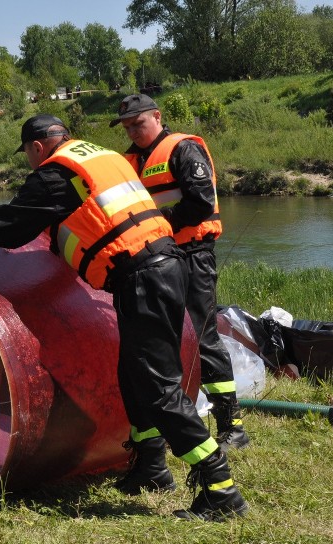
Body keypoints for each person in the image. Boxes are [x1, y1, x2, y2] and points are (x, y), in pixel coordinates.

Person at [0, 114, 248, 521]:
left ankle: (219, 487)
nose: (30, 161)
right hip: (162, 266)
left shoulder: (55, 173)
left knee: (157, 387)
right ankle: (151, 466)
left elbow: (8, 230)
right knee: (134, 374)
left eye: (28, 153)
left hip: (143, 276)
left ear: (38, 147)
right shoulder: (102, 156)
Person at [110, 94, 249, 494]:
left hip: (192, 253)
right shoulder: (129, 161)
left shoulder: (184, 149)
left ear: (157, 116)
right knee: (161, 345)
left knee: (202, 335)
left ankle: (231, 425)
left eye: (139, 123)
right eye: (127, 126)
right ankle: (160, 443)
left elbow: (201, 202)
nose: (133, 131)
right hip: (158, 259)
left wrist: (159, 221)